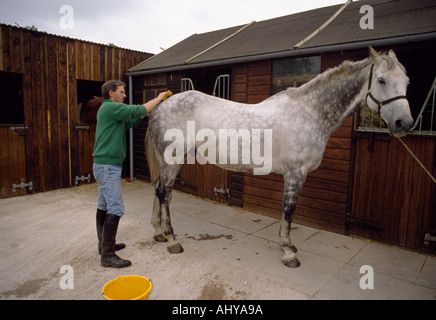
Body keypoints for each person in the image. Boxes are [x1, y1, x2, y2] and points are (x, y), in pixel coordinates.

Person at [93, 80, 167, 268]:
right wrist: (158, 99)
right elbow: (135, 111)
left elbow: (131, 120)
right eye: (122, 92)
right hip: (107, 167)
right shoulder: (109, 108)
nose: (125, 95)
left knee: (104, 206)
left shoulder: (110, 111)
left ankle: (104, 246)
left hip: (104, 166)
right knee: (116, 209)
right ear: (111, 93)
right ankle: (108, 255)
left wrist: (145, 115)